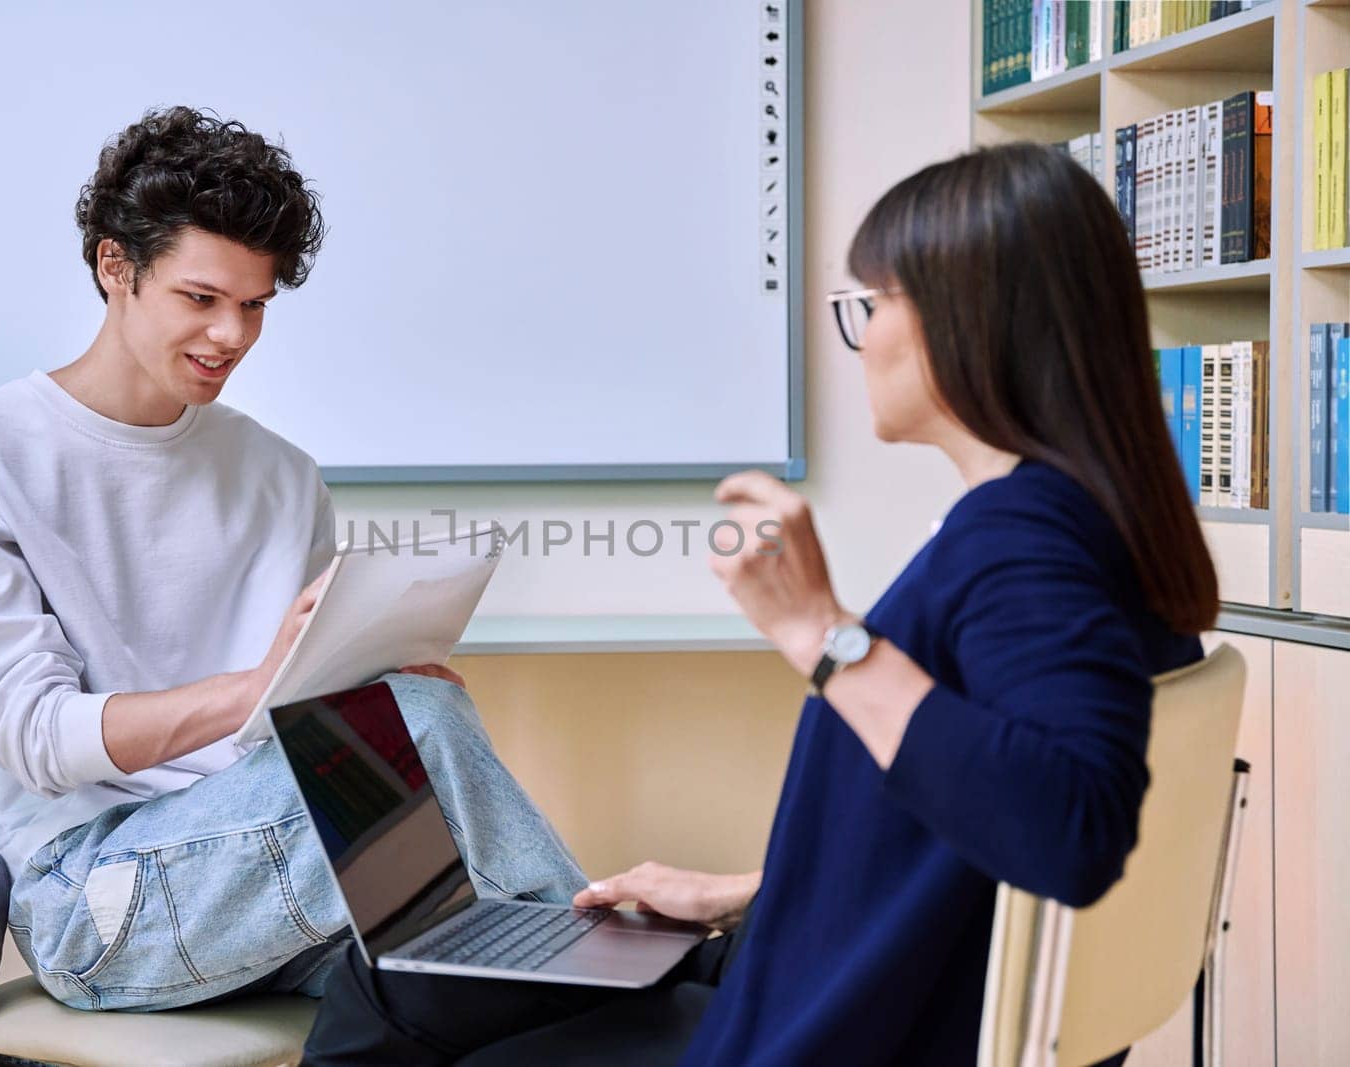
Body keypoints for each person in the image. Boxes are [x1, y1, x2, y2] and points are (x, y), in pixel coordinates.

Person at [301, 141, 1219, 1065]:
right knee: (401, 976)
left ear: (966, 318)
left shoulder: (1027, 541)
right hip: (827, 971)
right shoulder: (1081, 524)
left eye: (874, 303)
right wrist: (753, 890)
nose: (860, 336)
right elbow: (964, 832)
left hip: (824, 1023)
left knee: (387, 1004)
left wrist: (823, 634)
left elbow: (1065, 830)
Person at [0, 106, 585, 1011]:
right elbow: (38, 735)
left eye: (254, 305)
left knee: (480, 983)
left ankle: (610, 985)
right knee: (425, 745)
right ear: (114, 267)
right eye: (201, 299)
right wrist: (260, 689)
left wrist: (357, 684)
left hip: (280, 865)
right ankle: (636, 974)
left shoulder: (281, 476)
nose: (232, 337)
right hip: (90, 896)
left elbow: (295, 726)